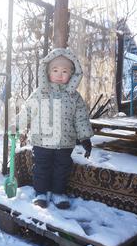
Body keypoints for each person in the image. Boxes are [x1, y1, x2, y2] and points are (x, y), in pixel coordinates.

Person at [11, 48, 93, 209]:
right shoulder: (40, 93)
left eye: (65, 71)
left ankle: (58, 193)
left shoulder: (74, 97)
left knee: (62, 168)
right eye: (55, 70)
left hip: (65, 141)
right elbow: (27, 110)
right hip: (41, 140)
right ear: (47, 73)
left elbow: (81, 118)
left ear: (72, 74)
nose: (60, 74)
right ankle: (40, 193)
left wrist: (85, 137)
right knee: (41, 167)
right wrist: (17, 126)